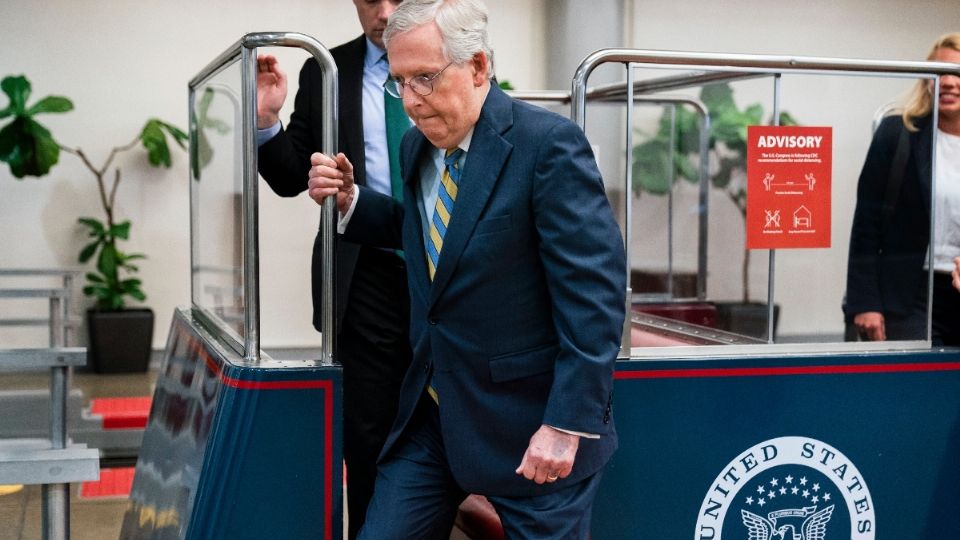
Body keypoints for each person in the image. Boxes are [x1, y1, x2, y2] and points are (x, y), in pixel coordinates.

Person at [307, 1, 626, 537]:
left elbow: (594, 302)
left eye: (425, 79)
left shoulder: (547, 146)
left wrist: (565, 425)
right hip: (434, 414)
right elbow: (434, 235)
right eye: (399, 81)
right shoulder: (418, 146)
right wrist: (352, 202)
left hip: (529, 426)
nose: (411, 101)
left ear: (478, 67)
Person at [255, 1, 410, 537]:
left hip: (445, 270)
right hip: (364, 272)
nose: (385, 12)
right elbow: (290, 174)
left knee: (448, 430)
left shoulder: (458, 62)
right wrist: (265, 123)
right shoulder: (328, 68)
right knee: (368, 438)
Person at [845, 32, 960, 346]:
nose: (948, 82)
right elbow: (866, 224)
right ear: (926, 80)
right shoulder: (897, 134)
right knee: (915, 387)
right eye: (939, 72)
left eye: (957, 72)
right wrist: (864, 300)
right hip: (909, 295)